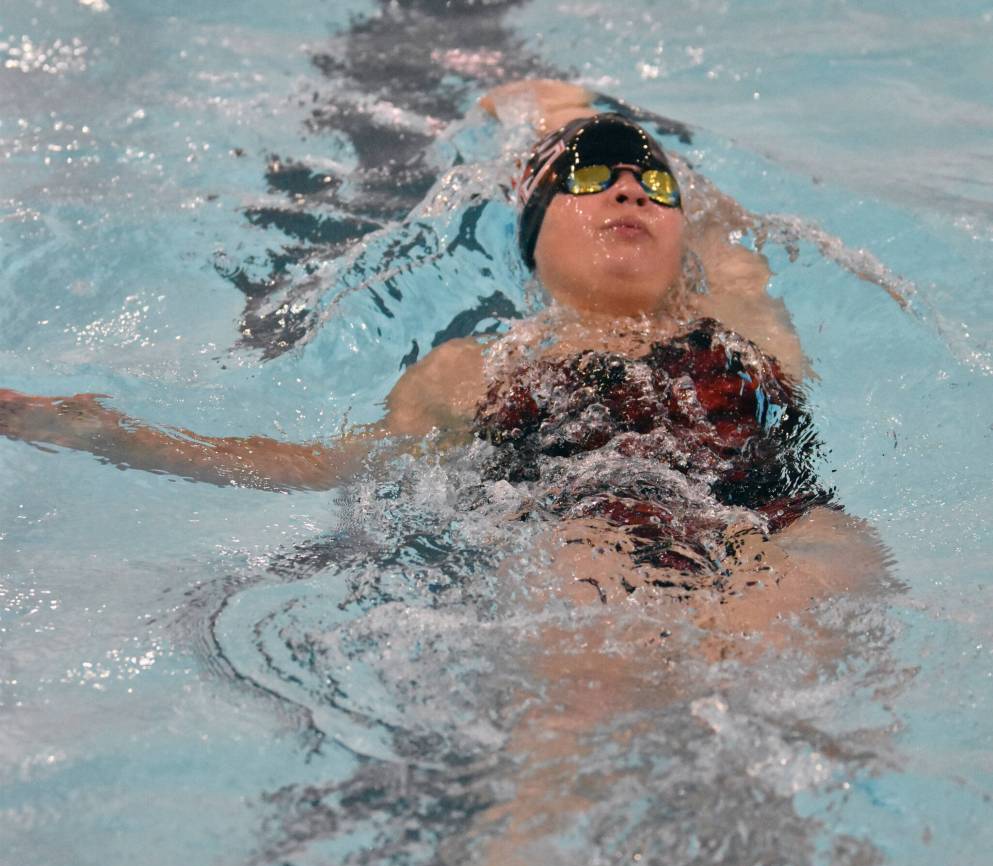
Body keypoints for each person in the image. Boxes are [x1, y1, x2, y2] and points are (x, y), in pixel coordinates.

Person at [0, 79, 881, 629]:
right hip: (593, 538)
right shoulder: (475, 368)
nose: (626, 188)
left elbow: (714, 217)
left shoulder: (741, 314)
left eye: (650, 184)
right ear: (532, 233)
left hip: (781, 522)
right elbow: (325, 465)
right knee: (583, 631)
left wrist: (570, 112)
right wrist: (103, 433)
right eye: (589, 177)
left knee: (843, 562)